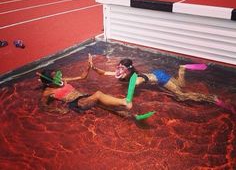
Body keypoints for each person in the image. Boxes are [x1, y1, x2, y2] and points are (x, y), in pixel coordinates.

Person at [89, 55, 236, 114]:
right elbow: (104, 73)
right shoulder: (121, 74)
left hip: (161, 79)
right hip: (157, 74)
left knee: (181, 96)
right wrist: (93, 67)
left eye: (121, 68)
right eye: (118, 66)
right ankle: (182, 68)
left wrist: (127, 100)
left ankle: (212, 98)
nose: (118, 70)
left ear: (128, 69)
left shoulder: (136, 78)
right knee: (181, 85)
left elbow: (133, 85)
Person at [36, 60, 132, 116]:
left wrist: (88, 66)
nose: (59, 77)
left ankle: (128, 115)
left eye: (58, 74)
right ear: (49, 82)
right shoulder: (48, 92)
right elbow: (42, 106)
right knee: (98, 94)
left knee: (107, 104)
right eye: (55, 77)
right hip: (76, 104)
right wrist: (57, 111)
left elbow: (82, 77)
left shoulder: (62, 80)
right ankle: (123, 101)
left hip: (83, 98)